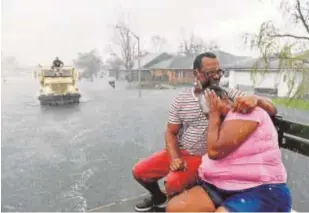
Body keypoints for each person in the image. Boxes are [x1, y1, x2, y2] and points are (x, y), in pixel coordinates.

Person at [132, 52, 278, 212]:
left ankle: (177, 203)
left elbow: (271, 107)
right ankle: (158, 197)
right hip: (181, 151)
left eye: (219, 72)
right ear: (196, 73)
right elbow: (171, 132)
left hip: (202, 156)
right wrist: (175, 157)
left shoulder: (228, 95)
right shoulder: (181, 100)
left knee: (173, 182)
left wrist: (257, 99)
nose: (216, 77)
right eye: (210, 73)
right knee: (140, 171)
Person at [166, 86, 291, 212]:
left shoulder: (244, 111)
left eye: (214, 102)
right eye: (206, 109)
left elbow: (215, 151)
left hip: (260, 188)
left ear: (226, 99)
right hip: (216, 186)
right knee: (176, 208)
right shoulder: (217, 123)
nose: (211, 109)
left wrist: (256, 99)